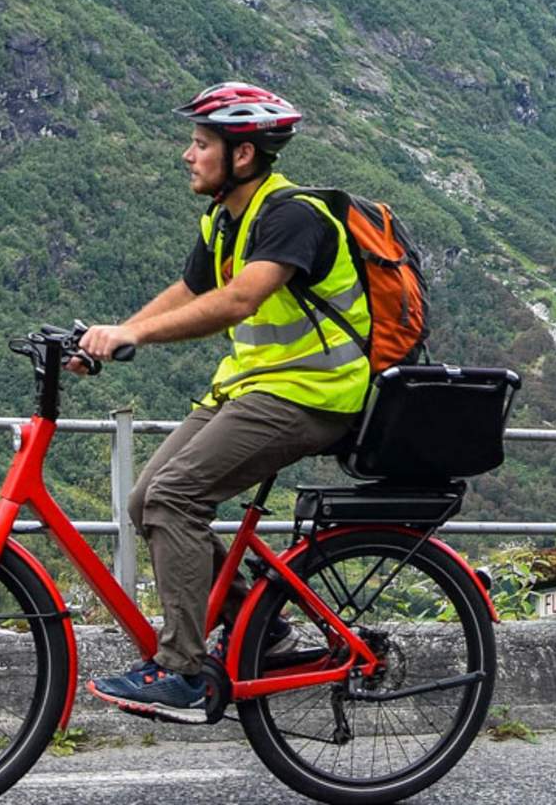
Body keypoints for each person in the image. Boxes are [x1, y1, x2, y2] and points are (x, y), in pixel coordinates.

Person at [75, 82, 371, 720]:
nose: (188, 155)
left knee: (177, 496)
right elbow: (189, 289)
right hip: (253, 388)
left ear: (243, 155)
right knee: (143, 499)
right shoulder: (225, 218)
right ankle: (262, 628)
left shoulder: (292, 215)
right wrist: (108, 336)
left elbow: (240, 301)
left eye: (201, 143)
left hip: (312, 392)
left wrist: (133, 335)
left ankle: (181, 671)